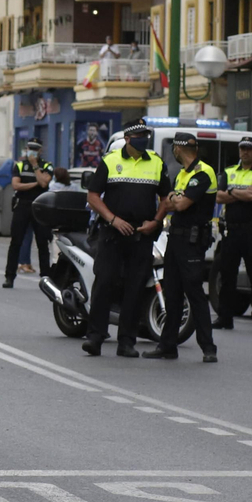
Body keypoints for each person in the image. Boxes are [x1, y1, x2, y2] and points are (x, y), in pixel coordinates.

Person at [82, 119, 170, 358]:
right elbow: (93, 196)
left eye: (146, 134)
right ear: (128, 139)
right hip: (113, 233)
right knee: (105, 283)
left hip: (142, 235)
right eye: (139, 135)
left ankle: (127, 342)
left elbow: (165, 198)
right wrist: (113, 219)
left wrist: (156, 221)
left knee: (135, 288)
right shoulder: (110, 161)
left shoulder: (156, 163)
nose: (144, 138)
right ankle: (95, 337)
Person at [144, 133, 218, 363]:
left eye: (174, 148)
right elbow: (168, 202)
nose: (173, 153)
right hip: (175, 240)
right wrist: (175, 198)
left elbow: (182, 203)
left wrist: (175, 199)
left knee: (194, 293)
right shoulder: (184, 175)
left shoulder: (203, 173)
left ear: (179, 148)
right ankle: (167, 345)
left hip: (192, 242)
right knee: (172, 293)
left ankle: (208, 348)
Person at [214, 136, 252, 333]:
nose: (245, 152)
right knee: (227, 273)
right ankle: (225, 316)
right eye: (242, 148)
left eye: (249, 149)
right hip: (232, 230)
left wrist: (231, 191)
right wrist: (241, 193)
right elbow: (218, 196)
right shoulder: (228, 171)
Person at [3, 140, 54, 288]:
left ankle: (45, 278)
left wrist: (35, 166)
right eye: (30, 149)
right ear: (26, 149)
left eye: (36, 149)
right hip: (23, 206)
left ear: (41, 151)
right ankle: (9, 276)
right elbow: (16, 185)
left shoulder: (46, 166)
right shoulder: (19, 165)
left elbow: (44, 183)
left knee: (42, 243)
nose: (32, 152)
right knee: (16, 242)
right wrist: (35, 184)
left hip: (40, 206)